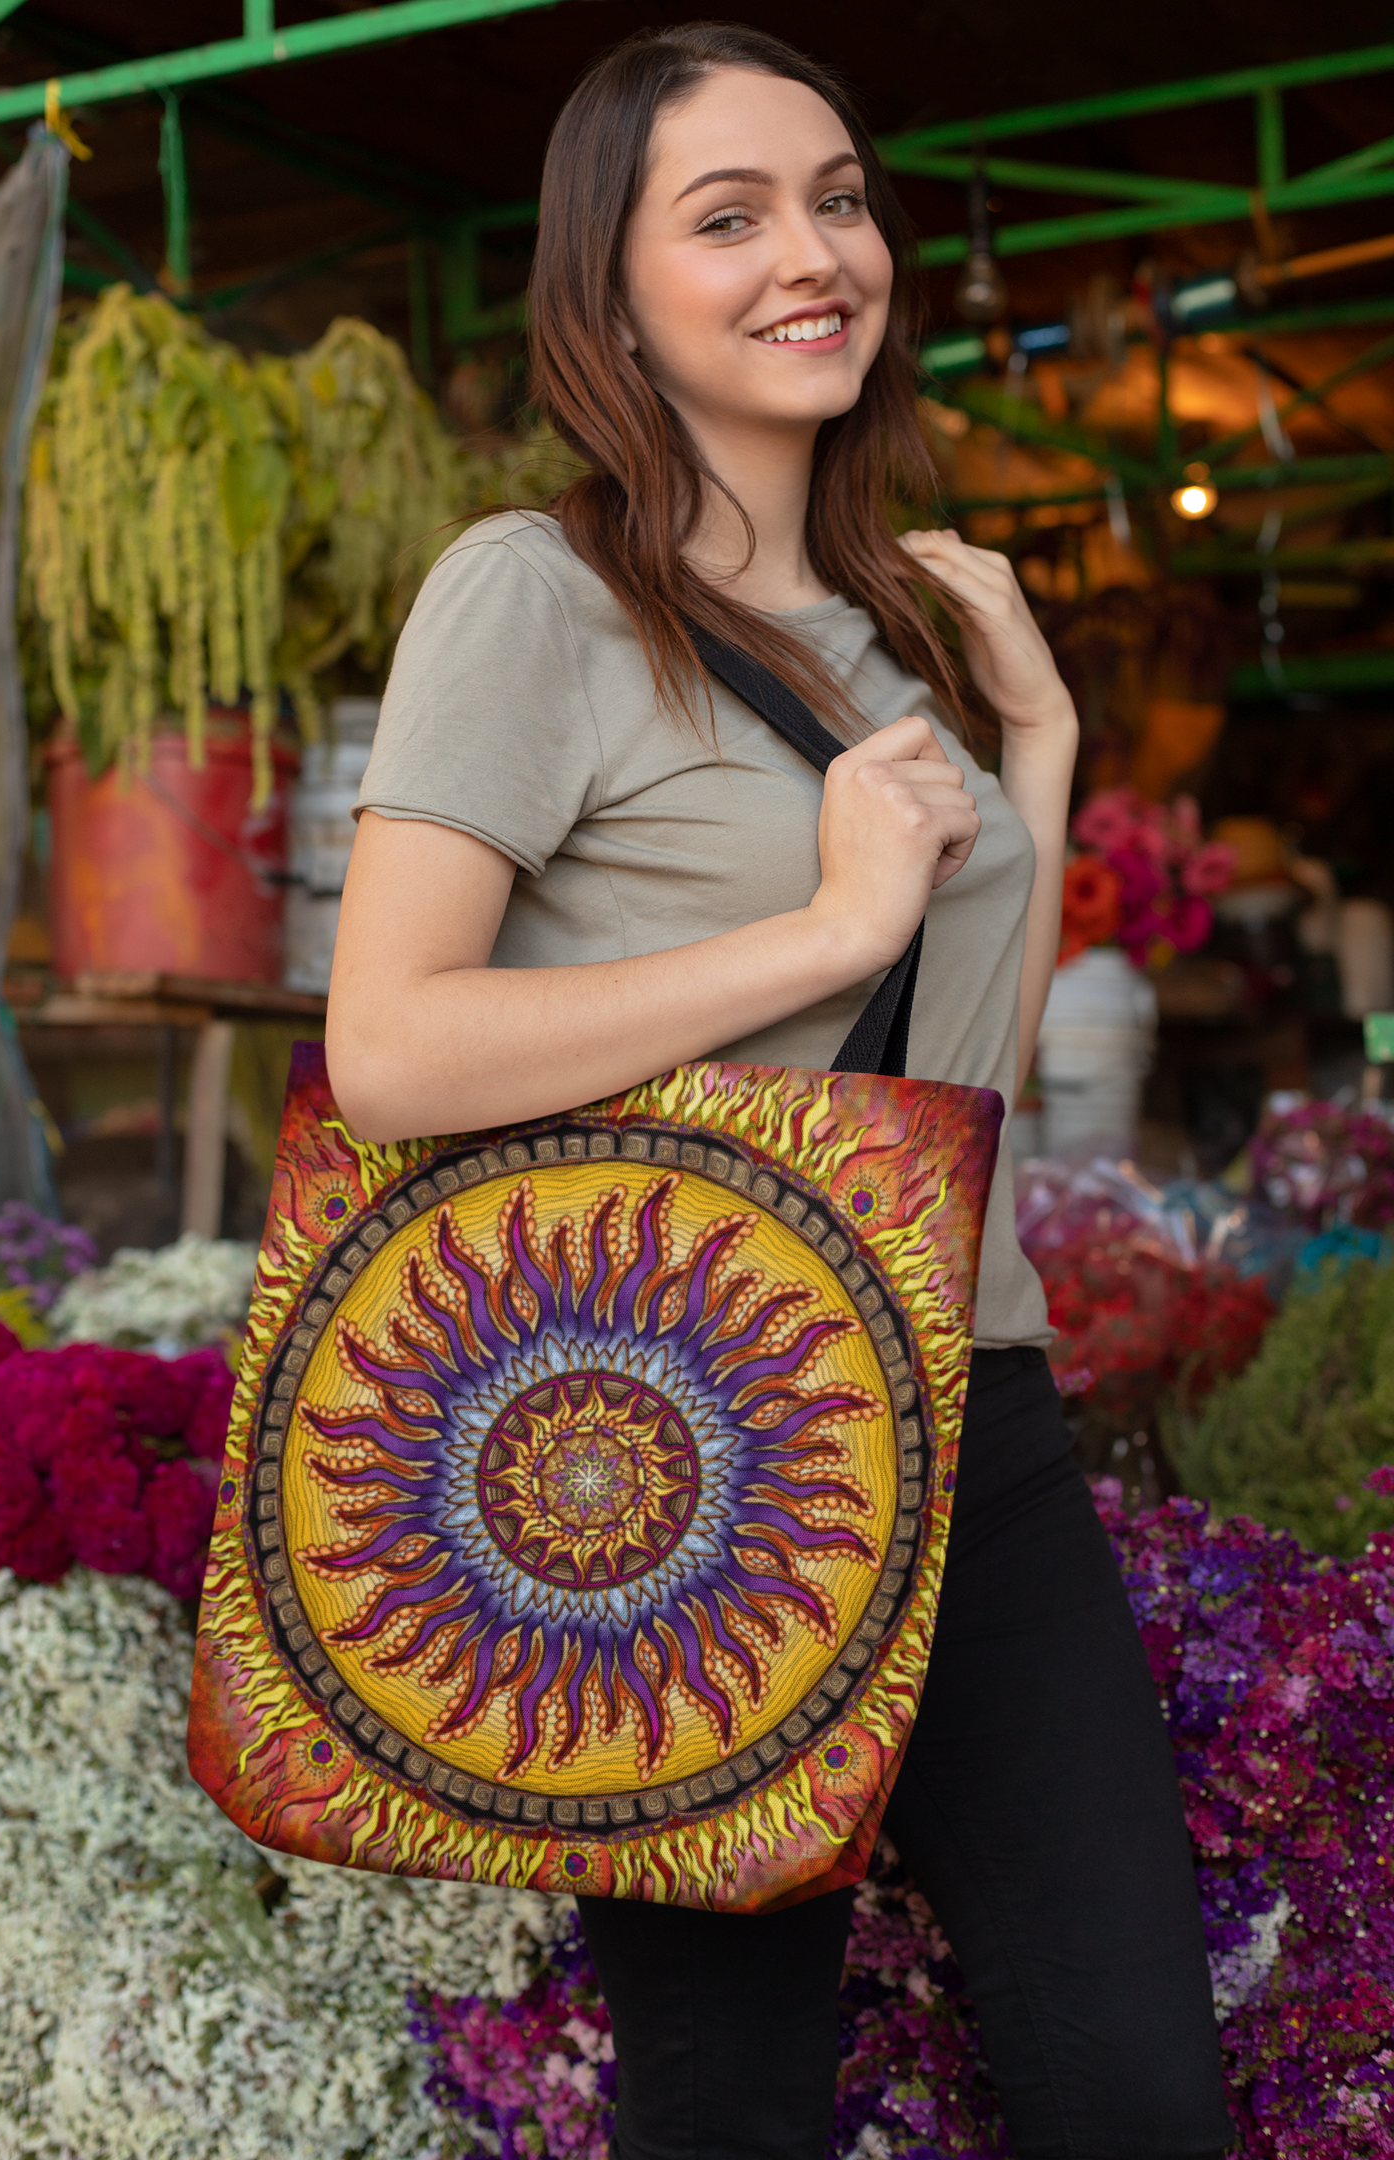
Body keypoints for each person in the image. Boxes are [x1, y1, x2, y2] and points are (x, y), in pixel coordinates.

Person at [327, 23, 1232, 2160]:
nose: (813, 252)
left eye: (836, 198)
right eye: (725, 216)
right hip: (668, 1438)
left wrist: (1035, 760)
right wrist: (820, 928)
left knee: (1136, 2091)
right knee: (729, 2099)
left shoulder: (900, 637)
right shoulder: (532, 594)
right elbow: (388, 1045)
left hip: (967, 1414)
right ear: (607, 291)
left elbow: (957, 1127)